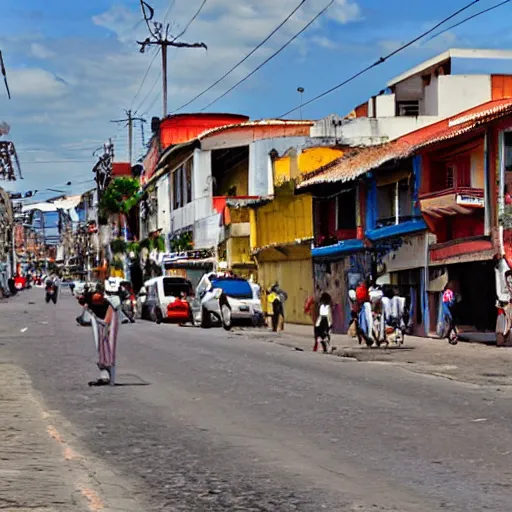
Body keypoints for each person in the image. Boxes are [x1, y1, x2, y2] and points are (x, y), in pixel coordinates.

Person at [78, 283, 120, 386]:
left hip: (105, 320)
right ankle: (106, 370)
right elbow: (84, 305)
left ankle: (108, 371)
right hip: (99, 320)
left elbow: (110, 315)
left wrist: (105, 323)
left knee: (107, 345)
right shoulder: (90, 297)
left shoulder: (110, 300)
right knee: (102, 345)